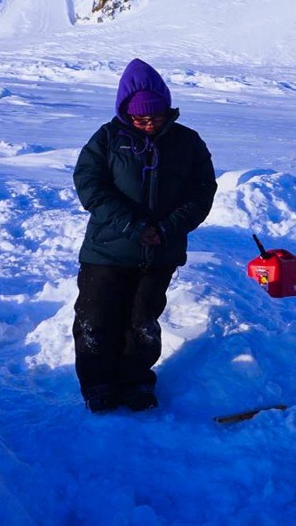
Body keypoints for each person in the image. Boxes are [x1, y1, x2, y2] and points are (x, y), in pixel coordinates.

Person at [71, 58, 216, 413]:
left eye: (156, 117)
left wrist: (168, 228)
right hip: (107, 251)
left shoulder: (188, 142)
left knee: (143, 322)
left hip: (159, 253)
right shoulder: (107, 139)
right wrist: (132, 225)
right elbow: (90, 186)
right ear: (125, 113)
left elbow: (202, 192)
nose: (149, 124)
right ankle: (99, 384)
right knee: (96, 320)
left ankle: (135, 381)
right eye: (141, 119)